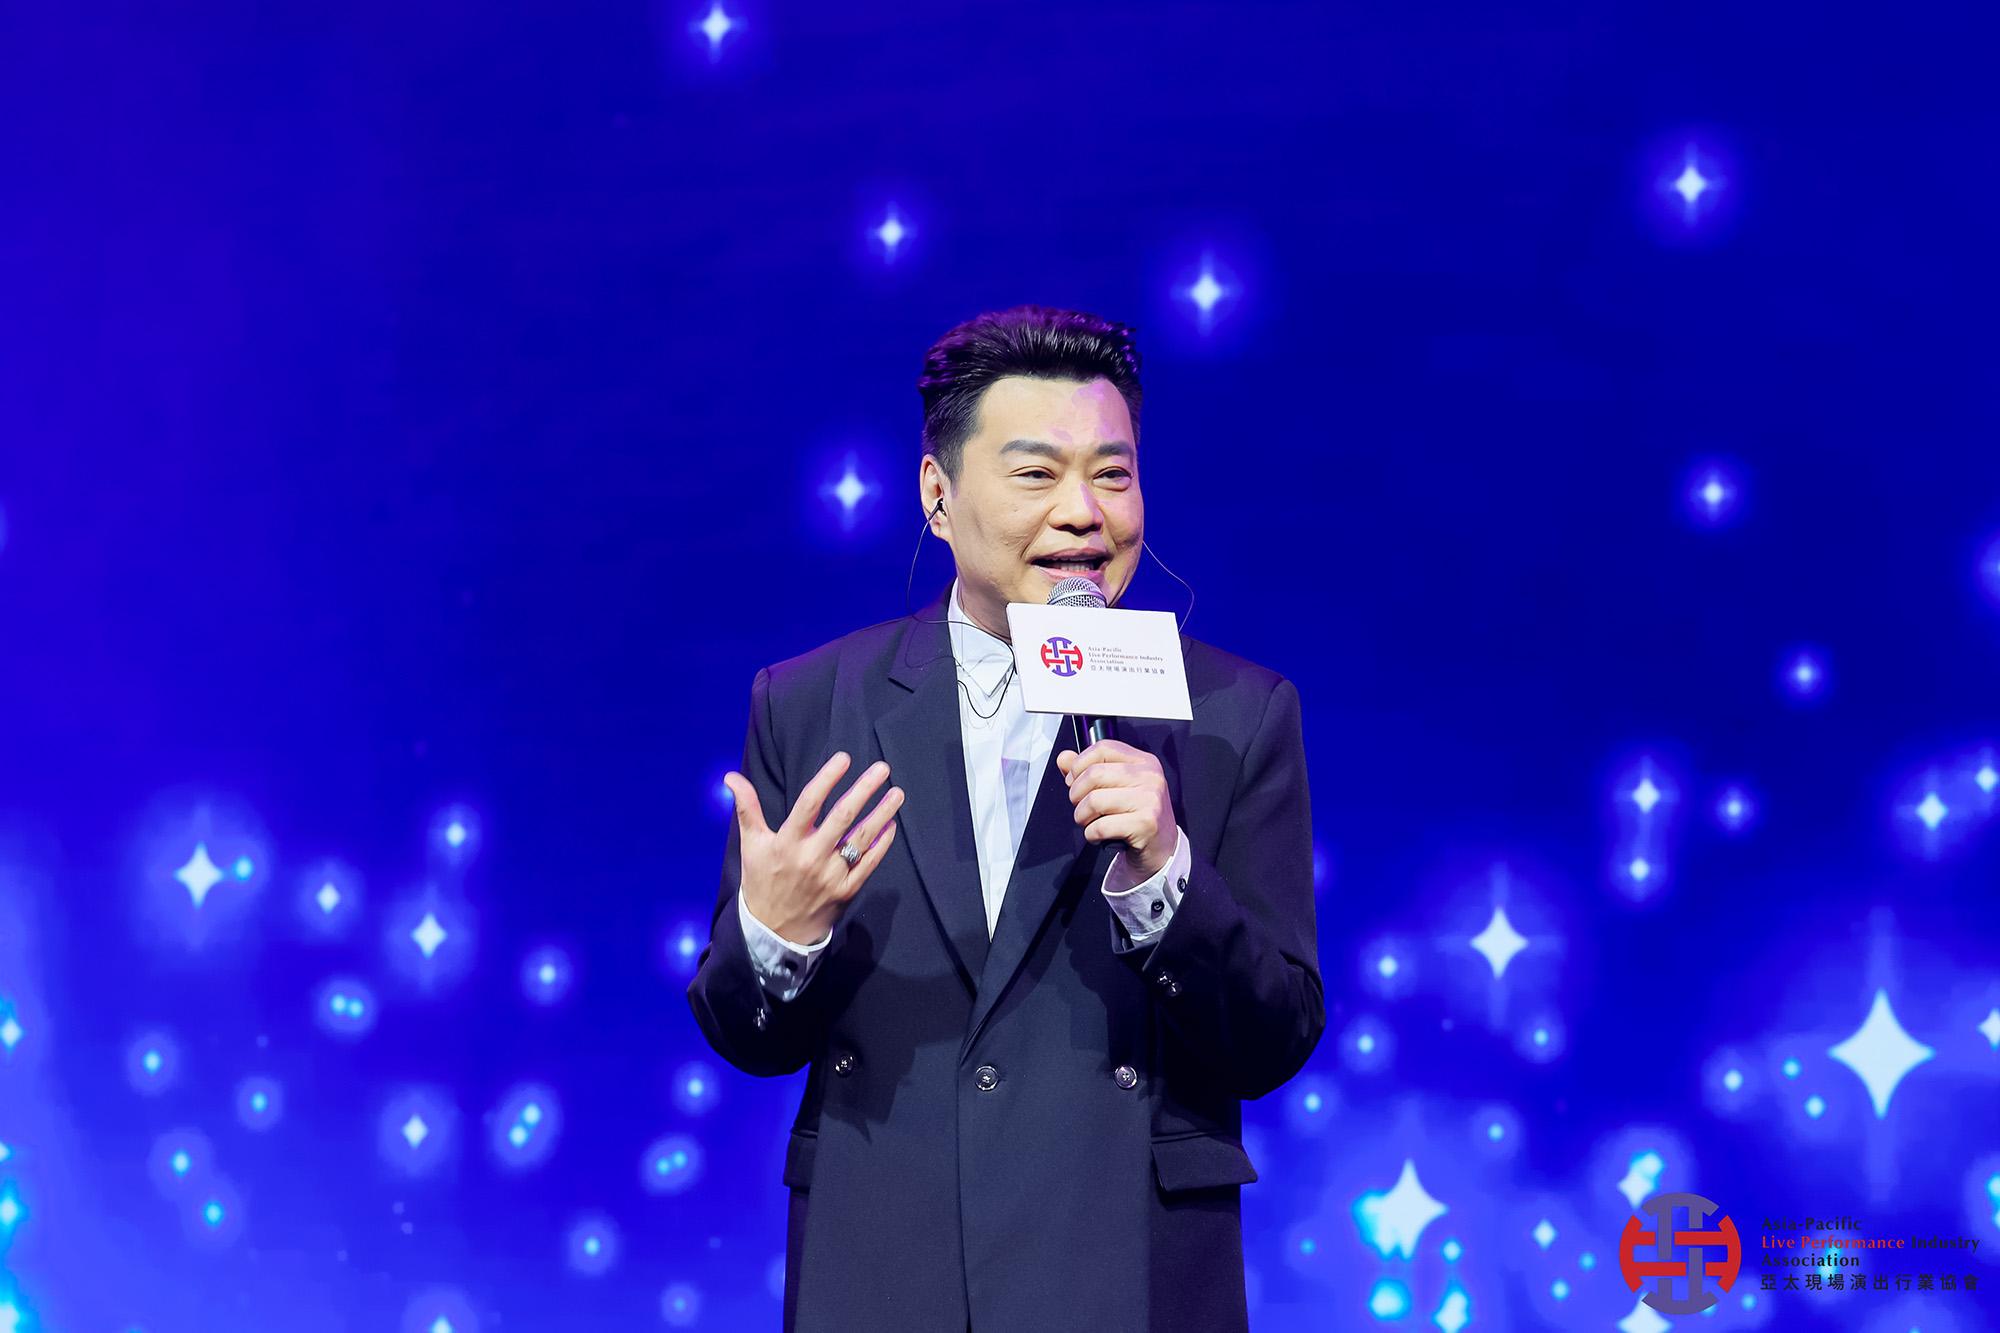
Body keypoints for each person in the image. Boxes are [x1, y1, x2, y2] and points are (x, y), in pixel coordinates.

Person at [688, 304, 1323, 1332]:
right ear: (937, 495)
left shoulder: (1231, 716)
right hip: (883, 1275)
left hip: (1123, 1278)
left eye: (1112, 474)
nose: (1083, 512)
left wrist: (1166, 879)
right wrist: (778, 936)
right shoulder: (812, 704)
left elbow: (1274, 1038)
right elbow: (745, 1037)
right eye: (1036, 473)